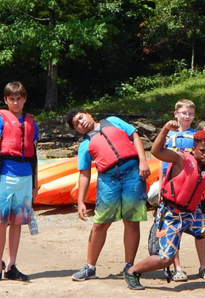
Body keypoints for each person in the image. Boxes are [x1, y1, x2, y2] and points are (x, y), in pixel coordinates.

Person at [124, 123, 205, 291]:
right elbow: (156, 151)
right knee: (165, 259)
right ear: (194, 149)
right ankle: (132, 271)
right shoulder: (180, 158)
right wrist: (166, 129)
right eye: (202, 151)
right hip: (170, 215)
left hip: (190, 215)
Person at [66, 109, 150, 281]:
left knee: (131, 221)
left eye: (81, 118)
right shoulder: (84, 146)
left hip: (133, 174)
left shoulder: (113, 121)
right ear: (77, 130)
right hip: (108, 180)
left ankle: (129, 266)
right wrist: (80, 201)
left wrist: (143, 161)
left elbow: (134, 135)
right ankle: (90, 267)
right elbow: (84, 174)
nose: (81, 123)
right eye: (76, 124)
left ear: (88, 114)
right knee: (100, 223)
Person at [0, 82, 39, 283]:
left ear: (25, 99)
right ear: (6, 100)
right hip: (6, 175)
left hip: (25, 177)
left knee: (18, 222)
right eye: (12, 98)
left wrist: (34, 185)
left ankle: (11, 265)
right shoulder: (0, 120)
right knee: (0, 221)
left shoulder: (32, 123)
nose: (16, 102)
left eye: (19, 98)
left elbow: (34, 156)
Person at [158, 99, 205, 282]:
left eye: (190, 114)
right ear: (176, 114)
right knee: (174, 227)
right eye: (183, 113)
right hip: (171, 188)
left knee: (200, 227)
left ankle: (204, 266)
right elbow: (160, 161)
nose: (187, 117)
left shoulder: (197, 136)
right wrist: (159, 187)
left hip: (192, 188)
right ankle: (177, 267)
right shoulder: (168, 134)